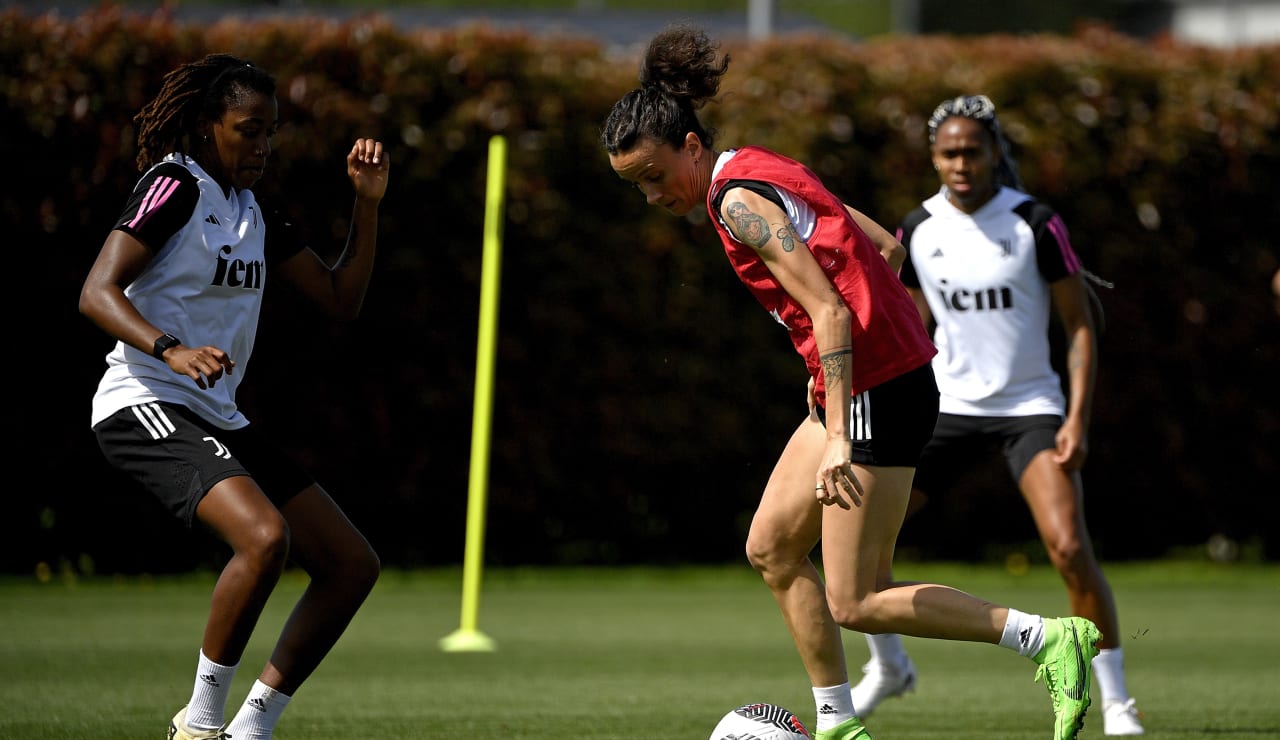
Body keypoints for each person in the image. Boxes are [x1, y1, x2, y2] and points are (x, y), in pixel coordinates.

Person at [601, 25, 1102, 740]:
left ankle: (1048, 640)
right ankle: (837, 722)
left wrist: (843, 429)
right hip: (870, 382)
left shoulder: (737, 205)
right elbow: (886, 247)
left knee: (857, 600)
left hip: (872, 393)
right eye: (634, 188)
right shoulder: (759, 164)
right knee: (771, 546)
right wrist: (855, 362)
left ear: (689, 146)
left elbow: (829, 308)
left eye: (653, 177)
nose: (651, 197)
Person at [78, 53, 388, 740]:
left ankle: (250, 729)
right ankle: (200, 726)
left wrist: (366, 206)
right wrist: (171, 349)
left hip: (215, 411)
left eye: (270, 131)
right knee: (263, 538)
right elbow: (96, 292)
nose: (263, 146)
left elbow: (341, 299)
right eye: (248, 130)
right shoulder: (173, 185)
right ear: (204, 125)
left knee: (349, 564)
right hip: (143, 397)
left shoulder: (254, 211)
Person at [846, 94, 1144, 736]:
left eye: (972, 151)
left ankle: (1117, 701)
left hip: (1029, 408)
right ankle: (890, 666)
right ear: (933, 156)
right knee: (863, 543)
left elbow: (1081, 325)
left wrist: (1077, 418)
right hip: (945, 409)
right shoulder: (917, 229)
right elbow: (906, 326)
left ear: (993, 155)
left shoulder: (1034, 221)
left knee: (1068, 547)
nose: (960, 163)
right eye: (948, 152)